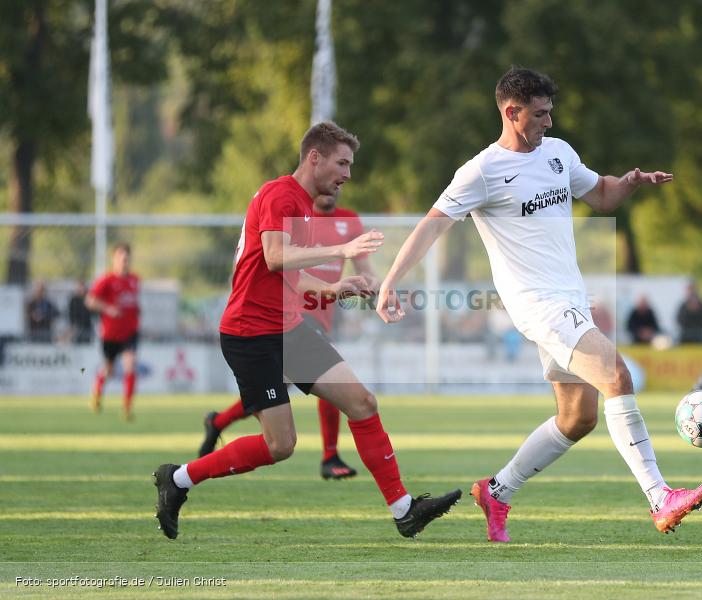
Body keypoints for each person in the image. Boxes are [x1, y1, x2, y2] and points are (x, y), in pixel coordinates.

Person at [376, 67, 702, 542]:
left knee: (579, 417)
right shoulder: (482, 171)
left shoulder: (558, 153)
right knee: (617, 375)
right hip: (537, 305)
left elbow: (600, 195)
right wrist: (391, 279)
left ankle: (497, 490)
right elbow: (433, 224)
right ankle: (660, 497)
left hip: (569, 297)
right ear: (511, 113)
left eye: (550, 112)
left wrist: (630, 182)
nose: (549, 122)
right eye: (540, 114)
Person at [152, 121, 460, 540]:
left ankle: (405, 509)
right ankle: (179, 479)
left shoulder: (300, 202)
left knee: (362, 402)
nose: (348, 174)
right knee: (280, 446)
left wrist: (336, 287)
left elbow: (286, 276)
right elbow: (276, 257)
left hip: (289, 328)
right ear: (314, 157)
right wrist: (343, 250)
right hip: (251, 335)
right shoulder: (282, 194)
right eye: (342, 162)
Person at [198, 191, 376, 480]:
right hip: (288, 315)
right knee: (331, 381)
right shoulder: (292, 216)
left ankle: (218, 421)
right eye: (339, 165)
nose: (339, 180)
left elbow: (366, 271)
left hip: (321, 315)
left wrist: (384, 289)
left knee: (277, 391)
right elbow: (270, 262)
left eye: (346, 167)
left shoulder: (350, 222)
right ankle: (330, 455)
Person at [85, 244, 140, 420]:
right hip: (110, 334)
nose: (124, 261)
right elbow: (90, 301)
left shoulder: (135, 280)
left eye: (126, 258)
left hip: (130, 333)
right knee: (109, 369)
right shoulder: (106, 280)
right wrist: (108, 308)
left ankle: (126, 408)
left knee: (130, 364)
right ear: (114, 259)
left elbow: (133, 304)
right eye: (121, 257)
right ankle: (97, 393)